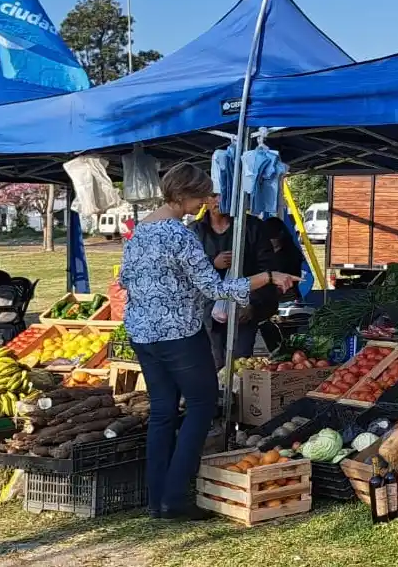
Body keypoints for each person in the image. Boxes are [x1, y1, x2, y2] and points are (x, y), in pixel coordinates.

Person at [119, 162, 298, 521]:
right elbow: (215, 288)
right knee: (201, 406)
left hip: (142, 334)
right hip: (180, 336)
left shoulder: (140, 232)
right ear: (184, 195)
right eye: (201, 196)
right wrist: (266, 276)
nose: (205, 203)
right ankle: (175, 498)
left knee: (162, 412)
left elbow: (125, 279)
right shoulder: (180, 234)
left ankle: (156, 499)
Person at [192, 195, 281, 367]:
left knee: (240, 365)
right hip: (207, 314)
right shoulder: (195, 231)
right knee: (212, 365)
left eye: (223, 194)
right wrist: (212, 263)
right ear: (204, 199)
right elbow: (187, 274)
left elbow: (268, 269)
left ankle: (236, 393)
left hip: (244, 311)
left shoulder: (253, 227)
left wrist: (253, 304)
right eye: (213, 195)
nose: (218, 200)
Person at [263, 216, 305, 304]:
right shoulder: (266, 252)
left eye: (271, 238)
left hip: (286, 298)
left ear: (280, 235)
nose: (269, 241)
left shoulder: (290, 255)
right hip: (271, 297)